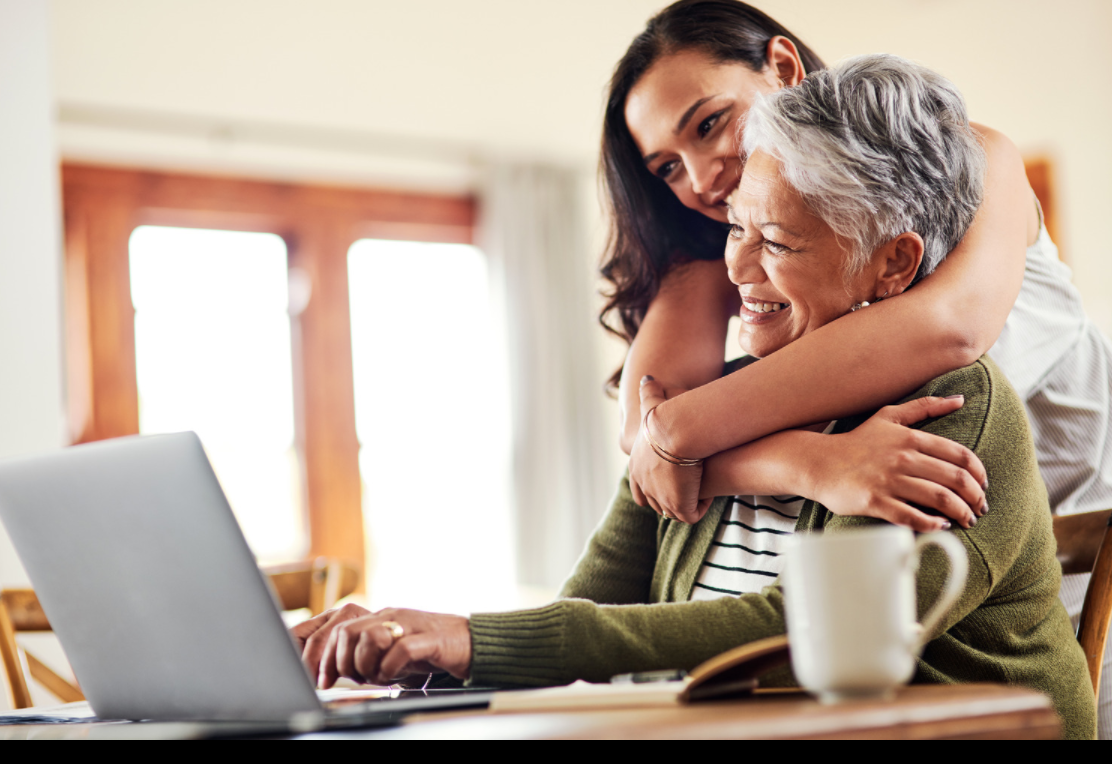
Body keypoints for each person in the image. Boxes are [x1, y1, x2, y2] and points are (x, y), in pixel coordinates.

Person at [291, 56, 1096, 739]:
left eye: (776, 241)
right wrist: (432, 654)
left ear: (891, 266)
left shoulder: (951, 408)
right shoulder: (730, 397)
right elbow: (593, 601)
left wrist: (475, 641)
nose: (738, 272)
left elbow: (799, 636)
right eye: (733, 229)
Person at [603, 0, 1111, 735]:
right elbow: (645, 445)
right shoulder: (734, 243)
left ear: (782, 67)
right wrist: (807, 464)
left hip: (1076, 553)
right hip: (927, 567)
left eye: (710, 123)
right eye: (667, 167)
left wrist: (682, 434)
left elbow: (947, 329)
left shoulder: (969, 161)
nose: (702, 176)